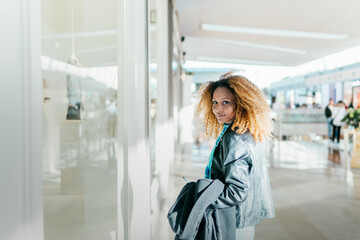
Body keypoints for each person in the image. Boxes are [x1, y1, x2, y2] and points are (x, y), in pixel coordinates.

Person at [194, 72, 275, 239]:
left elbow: (236, 191)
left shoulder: (236, 137)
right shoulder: (246, 132)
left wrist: (202, 200)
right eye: (215, 102)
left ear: (241, 103)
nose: (218, 109)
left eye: (226, 102)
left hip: (232, 222)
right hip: (241, 219)